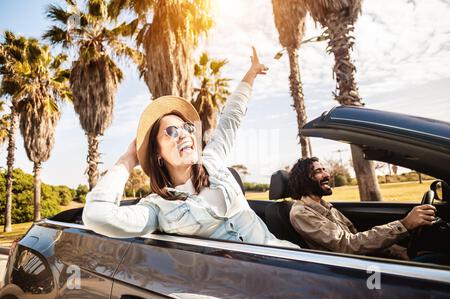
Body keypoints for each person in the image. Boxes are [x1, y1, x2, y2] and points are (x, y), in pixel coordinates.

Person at [82, 47, 298, 249]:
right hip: (244, 285)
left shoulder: (213, 159)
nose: (184, 133)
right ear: (157, 153)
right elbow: (98, 216)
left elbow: (231, 117)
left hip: (289, 258)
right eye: (171, 132)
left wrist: (251, 73)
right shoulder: (157, 208)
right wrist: (128, 159)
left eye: (186, 128)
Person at [287, 157, 438, 260]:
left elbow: (357, 236)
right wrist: (404, 225)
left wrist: (399, 252)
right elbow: (349, 245)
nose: (327, 174)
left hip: (362, 260)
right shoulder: (301, 213)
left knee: (434, 259)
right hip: (348, 270)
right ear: (304, 180)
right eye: (318, 171)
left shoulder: (324, 205)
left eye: (324, 169)